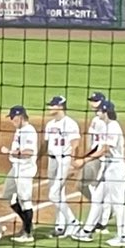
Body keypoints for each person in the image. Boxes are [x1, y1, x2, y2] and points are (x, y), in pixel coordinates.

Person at [76, 93, 125, 246]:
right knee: (97, 198)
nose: (97, 112)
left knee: (118, 203)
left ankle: (122, 237)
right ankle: (87, 232)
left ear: (105, 111)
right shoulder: (107, 126)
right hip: (108, 167)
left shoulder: (113, 126)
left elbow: (106, 149)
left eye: (99, 111)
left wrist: (85, 160)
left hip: (115, 168)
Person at [43, 95, 81, 238]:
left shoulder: (70, 124)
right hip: (52, 160)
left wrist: (72, 162)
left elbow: (75, 143)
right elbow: (46, 144)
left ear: (60, 106)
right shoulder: (50, 124)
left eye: (52, 105)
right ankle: (60, 225)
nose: (50, 107)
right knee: (58, 193)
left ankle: (73, 222)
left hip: (64, 160)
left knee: (53, 194)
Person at [3, 105, 40, 242]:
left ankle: (28, 233)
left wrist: (11, 152)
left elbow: (29, 152)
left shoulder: (29, 131)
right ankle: (27, 223)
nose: (11, 120)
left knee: (25, 200)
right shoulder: (20, 130)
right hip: (16, 168)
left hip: (25, 169)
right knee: (7, 194)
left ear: (20, 117)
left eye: (13, 118)